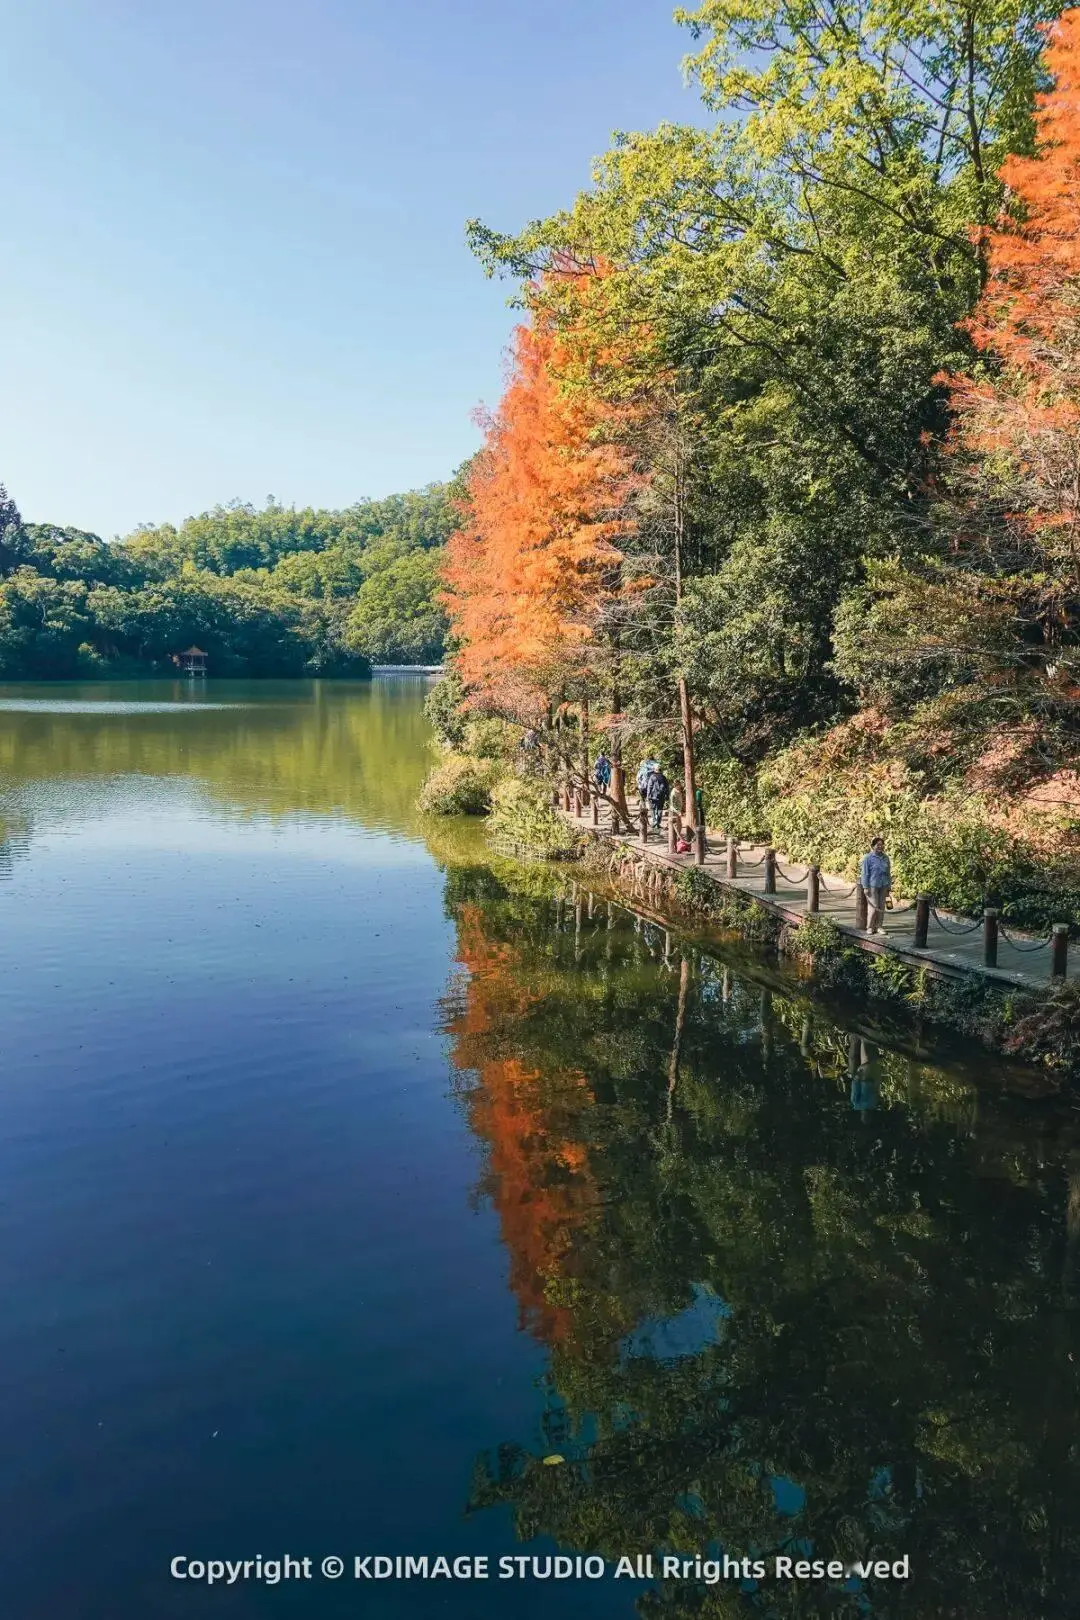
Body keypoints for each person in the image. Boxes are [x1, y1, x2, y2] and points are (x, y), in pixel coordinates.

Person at [858, 836, 892, 933]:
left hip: (884, 885)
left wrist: (889, 886)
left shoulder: (886, 858)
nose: (880, 847)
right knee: (873, 907)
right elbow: (864, 873)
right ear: (873, 846)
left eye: (882, 845)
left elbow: (888, 872)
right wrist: (865, 887)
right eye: (878, 845)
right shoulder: (868, 858)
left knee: (881, 907)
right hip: (872, 886)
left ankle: (879, 926)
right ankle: (870, 926)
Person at [645, 765, 670, 831]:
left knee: (652, 809)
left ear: (655, 770)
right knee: (660, 809)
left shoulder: (652, 777)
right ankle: (658, 823)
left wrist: (648, 796)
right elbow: (667, 787)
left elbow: (649, 787)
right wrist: (667, 796)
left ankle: (654, 821)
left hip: (653, 796)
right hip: (661, 796)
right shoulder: (663, 777)